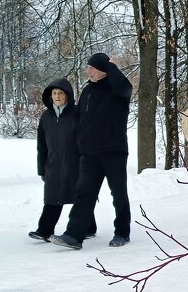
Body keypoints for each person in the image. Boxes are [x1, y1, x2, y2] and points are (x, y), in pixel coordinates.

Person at [50, 52, 133, 250]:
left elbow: (125, 87)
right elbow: (79, 119)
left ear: (105, 71)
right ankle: (73, 235)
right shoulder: (88, 91)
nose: (89, 71)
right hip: (89, 153)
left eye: (93, 68)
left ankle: (122, 233)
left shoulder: (117, 90)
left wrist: (113, 67)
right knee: (83, 194)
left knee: (118, 194)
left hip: (113, 151)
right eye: (88, 67)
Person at [29, 79, 96, 242]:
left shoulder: (77, 113)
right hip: (53, 165)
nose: (57, 96)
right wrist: (41, 169)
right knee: (52, 197)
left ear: (67, 96)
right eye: (54, 93)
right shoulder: (46, 117)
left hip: (76, 164)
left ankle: (89, 227)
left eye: (60, 93)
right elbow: (41, 145)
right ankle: (44, 230)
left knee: (79, 197)